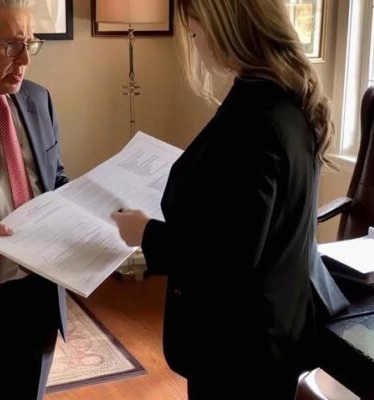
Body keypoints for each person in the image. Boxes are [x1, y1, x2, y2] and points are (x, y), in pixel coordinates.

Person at [112, 0, 349, 399]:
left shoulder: (254, 121)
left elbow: (227, 260)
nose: (195, 42)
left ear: (226, 28)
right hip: (272, 326)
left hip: (239, 346)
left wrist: (145, 233)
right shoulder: (286, 97)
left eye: (195, 30)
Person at [0, 1, 68, 399]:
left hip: (40, 293)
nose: (24, 60)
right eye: (11, 45)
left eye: (30, 44)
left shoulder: (39, 99)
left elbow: (54, 178)